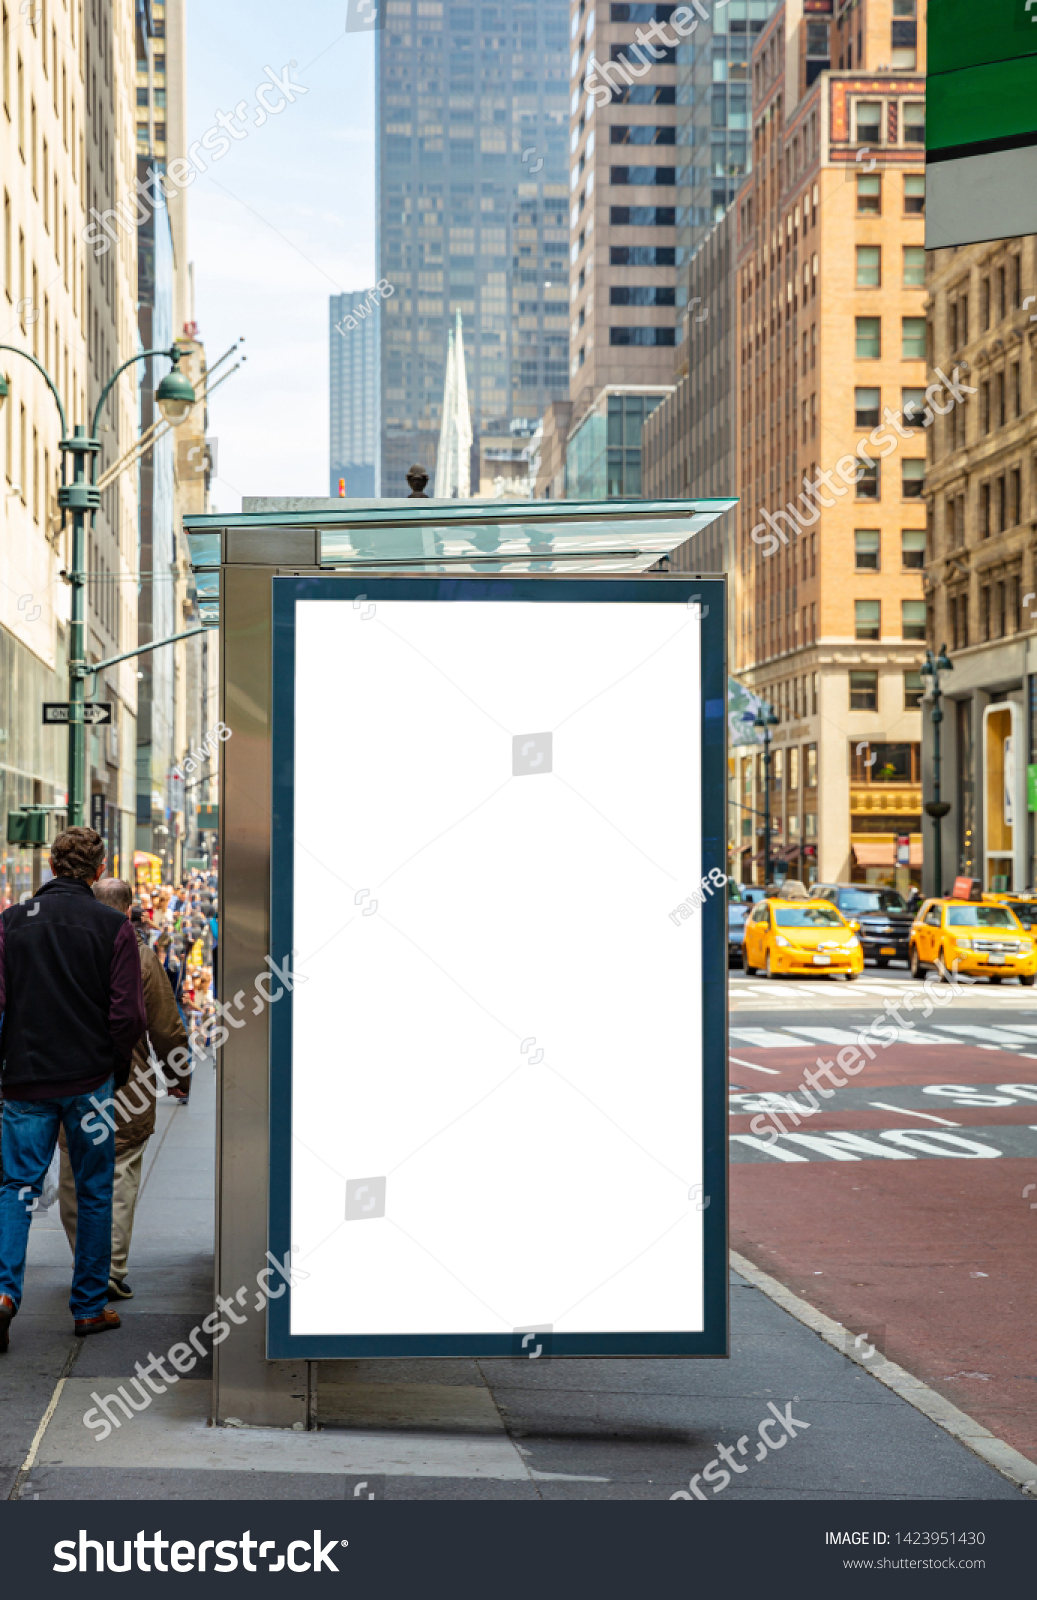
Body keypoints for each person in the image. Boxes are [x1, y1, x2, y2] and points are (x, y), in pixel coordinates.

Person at [0, 829, 146, 1352]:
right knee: (92, 1190)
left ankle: (2, 1294)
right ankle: (87, 1308)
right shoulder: (113, 926)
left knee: (16, 1188)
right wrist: (113, 1065)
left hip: (24, 1079)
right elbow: (127, 1014)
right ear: (98, 869)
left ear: (52, 864)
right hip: (89, 1081)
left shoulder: (11, 923)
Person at [57, 878, 190, 1300]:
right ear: (129, 909)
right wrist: (179, 1076)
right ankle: (108, 1270)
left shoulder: (69, 953)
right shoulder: (143, 957)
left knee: (74, 1180)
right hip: (127, 1090)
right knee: (119, 1178)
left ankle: (86, 1263)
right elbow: (166, 1028)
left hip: (72, 1084)